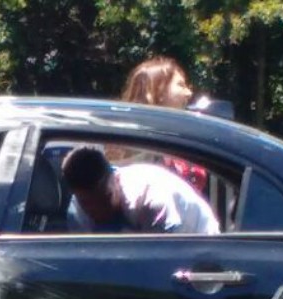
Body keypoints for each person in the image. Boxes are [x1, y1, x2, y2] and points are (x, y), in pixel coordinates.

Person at [61, 146, 219, 235]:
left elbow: (162, 258)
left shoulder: (152, 200)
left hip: (197, 236)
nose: (97, 211)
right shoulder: (76, 212)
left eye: (105, 199)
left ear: (116, 179)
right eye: (87, 204)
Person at [120, 56, 208, 194]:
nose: (189, 93)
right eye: (180, 85)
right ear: (159, 91)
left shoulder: (178, 135)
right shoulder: (136, 140)